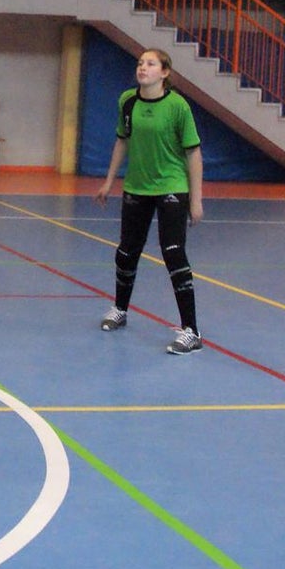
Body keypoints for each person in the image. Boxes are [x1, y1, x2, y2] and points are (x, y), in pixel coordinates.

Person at [94, 48, 204, 356]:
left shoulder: (178, 106)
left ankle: (191, 331)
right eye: (140, 63)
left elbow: (193, 153)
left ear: (164, 72)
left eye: (151, 64)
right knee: (126, 251)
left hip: (172, 185)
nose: (143, 68)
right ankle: (120, 309)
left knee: (173, 253)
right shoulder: (127, 101)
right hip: (137, 186)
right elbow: (122, 140)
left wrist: (196, 199)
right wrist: (109, 181)